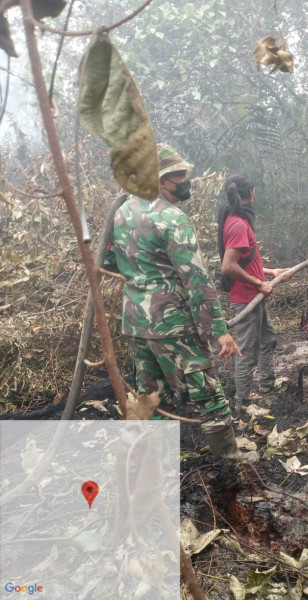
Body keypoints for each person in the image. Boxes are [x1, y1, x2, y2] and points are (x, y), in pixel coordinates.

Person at [104, 144, 241, 459]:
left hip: (136, 324)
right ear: (160, 179)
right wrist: (218, 330)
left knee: (153, 397)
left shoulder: (123, 211)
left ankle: (156, 467)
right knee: (209, 397)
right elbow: (196, 278)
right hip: (172, 324)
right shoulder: (170, 216)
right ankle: (231, 468)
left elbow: (110, 262)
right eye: (178, 175)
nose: (185, 180)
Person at [218, 174, 292, 413]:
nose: (256, 193)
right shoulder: (238, 224)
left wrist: (269, 272)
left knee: (268, 338)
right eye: (254, 189)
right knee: (247, 352)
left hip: (254, 293)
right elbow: (228, 266)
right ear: (249, 192)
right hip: (247, 297)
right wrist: (259, 284)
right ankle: (243, 403)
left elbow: (246, 261)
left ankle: (267, 384)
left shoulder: (237, 219)